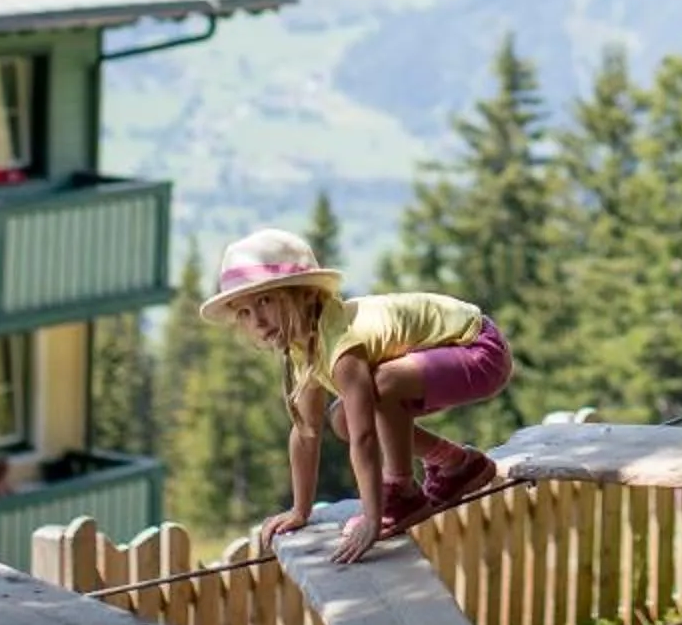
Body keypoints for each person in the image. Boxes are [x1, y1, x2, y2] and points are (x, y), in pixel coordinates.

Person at [198, 227, 514, 563]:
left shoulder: (340, 343)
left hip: (480, 349)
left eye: (265, 301)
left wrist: (373, 518)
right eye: (244, 312)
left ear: (304, 294)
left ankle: (402, 491)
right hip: (451, 358)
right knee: (343, 418)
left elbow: (365, 439)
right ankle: (455, 464)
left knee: (379, 386)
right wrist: (299, 510)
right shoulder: (304, 346)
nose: (257, 321)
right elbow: (305, 431)